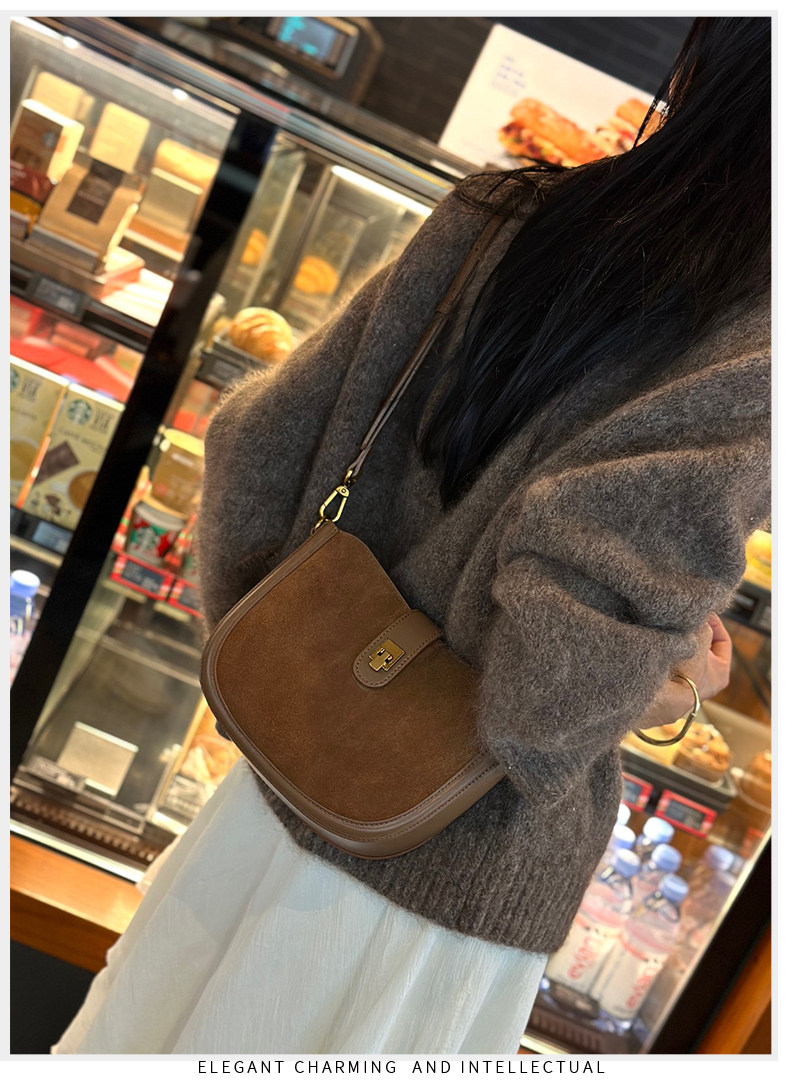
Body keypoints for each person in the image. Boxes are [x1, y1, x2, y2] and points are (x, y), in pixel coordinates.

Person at [54, 16, 770, 1055]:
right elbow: (547, 699)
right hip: (438, 886)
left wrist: (294, 668)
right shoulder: (758, 355)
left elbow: (255, 443)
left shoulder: (501, 212)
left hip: (267, 809)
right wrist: (660, 684)